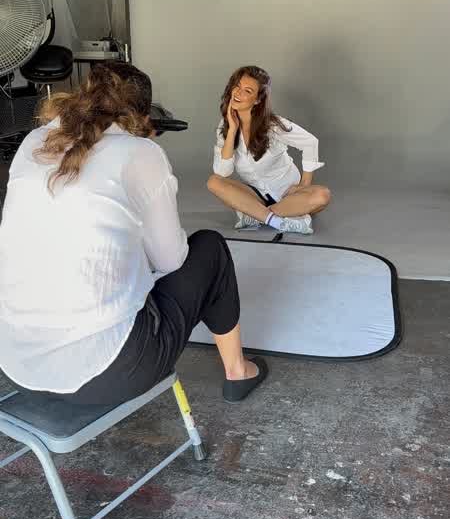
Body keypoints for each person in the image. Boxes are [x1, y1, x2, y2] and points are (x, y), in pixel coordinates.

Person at [0, 61, 267, 406]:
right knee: (210, 249)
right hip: (110, 373)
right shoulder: (141, 152)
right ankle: (238, 371)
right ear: (143, 116)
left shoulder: (34, 140)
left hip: (17, 366)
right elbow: (171, 260)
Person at [207, 66, 331, 233]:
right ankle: (278, 220)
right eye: (236, 86)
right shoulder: (225, 126)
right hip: (256, 196)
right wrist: (232, 131)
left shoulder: (273, 125)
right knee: (214, 182)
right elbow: (223, 172)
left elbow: (310, 142)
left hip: (289, 195)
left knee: (322, 195)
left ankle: (256, 215)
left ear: (257, 100)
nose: (238, 93)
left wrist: (304, 184)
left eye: (247, 91)